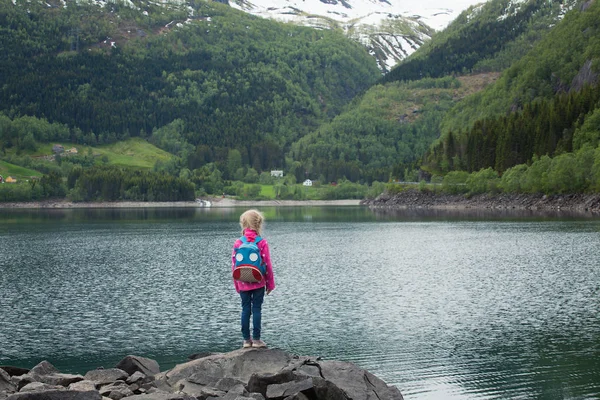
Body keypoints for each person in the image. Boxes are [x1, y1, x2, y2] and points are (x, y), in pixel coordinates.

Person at [232, 209, 275, 348]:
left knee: (245, 310)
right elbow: (267, 264)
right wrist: (270, 285)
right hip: (258, 282)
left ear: (243, 224)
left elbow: (234, 265)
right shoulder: (262, 242)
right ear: (258, 224)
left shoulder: (238, 242)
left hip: (243, 282)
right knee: (256, 309)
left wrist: (237, 285)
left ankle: (246, 341)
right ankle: (256, 340)